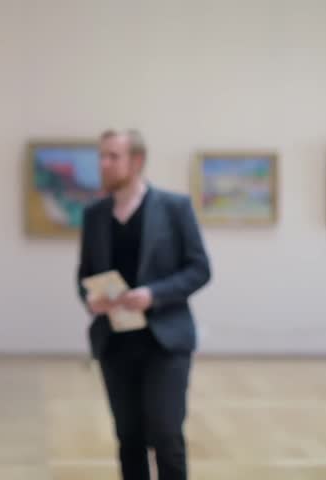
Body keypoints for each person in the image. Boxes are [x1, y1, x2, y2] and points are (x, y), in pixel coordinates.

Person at [76, 129, 211, 479]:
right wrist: (92, 301)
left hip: (165, 341)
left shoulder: (174, 208)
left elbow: (199, 269)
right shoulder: (94, 215)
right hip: (115, 342)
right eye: (101, 156)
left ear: (136, 161)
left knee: (166, 435)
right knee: (129, 438)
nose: (103, 164)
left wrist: (152, 294)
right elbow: (84, 276)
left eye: (112, 156)